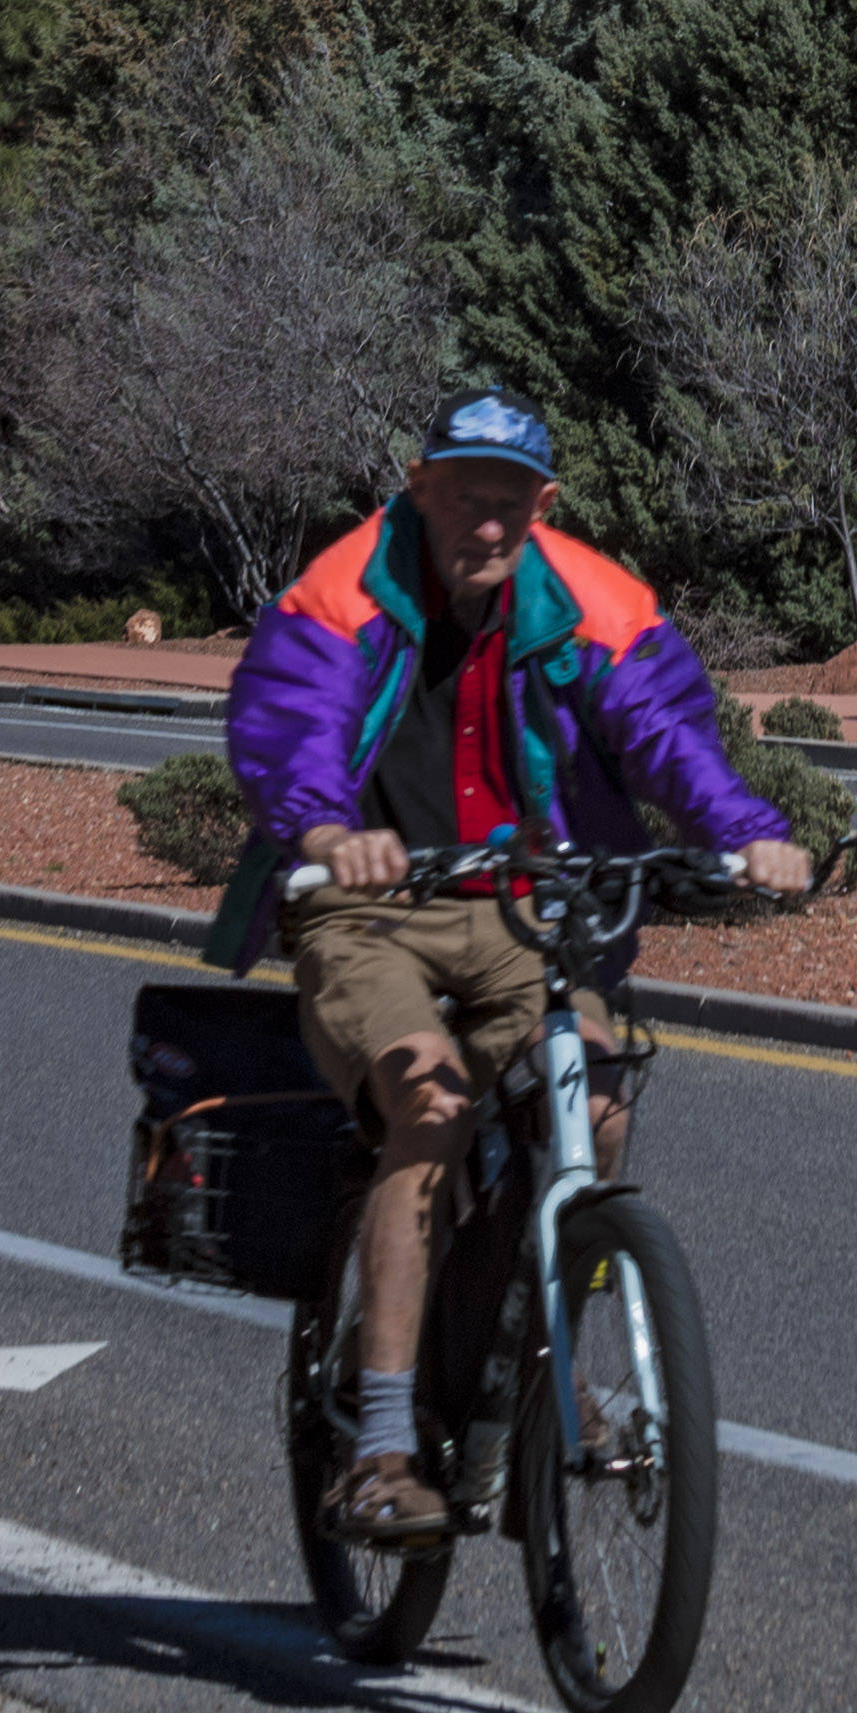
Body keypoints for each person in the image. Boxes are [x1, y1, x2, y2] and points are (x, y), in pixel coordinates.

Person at [211, 391, 804, 1546]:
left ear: (542, 504)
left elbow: (666, 733)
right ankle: (381, 1444)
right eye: (463, 494)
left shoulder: (591, 599)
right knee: (428, 1102)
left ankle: (530, 1368)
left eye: (507, 501)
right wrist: (329, 831)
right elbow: (291, 720)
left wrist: (744, 832)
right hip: (368, 908)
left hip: (528, 905)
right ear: (421, 485)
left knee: (597, 1111)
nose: (484, 523)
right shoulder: (348, 584)